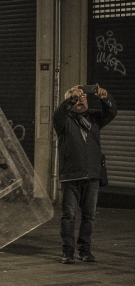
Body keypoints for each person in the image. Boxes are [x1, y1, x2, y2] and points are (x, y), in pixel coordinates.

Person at [53, 83, 116, 264]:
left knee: (89, 216)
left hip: (92, 175)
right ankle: (68, 251)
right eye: (77, 97)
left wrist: (105, 98)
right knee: (69, 216)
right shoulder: (64, 121)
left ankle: (84, 250)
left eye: (83, 97)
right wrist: (72, 98)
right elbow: (58, 114)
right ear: (70, 101)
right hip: (71, 176)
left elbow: (111, 113)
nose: (81, 100)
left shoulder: (94, 119)